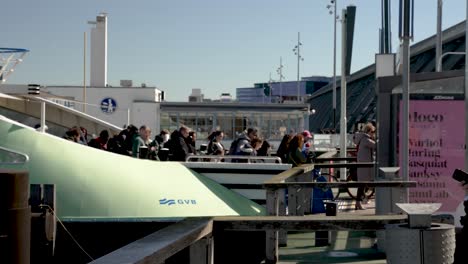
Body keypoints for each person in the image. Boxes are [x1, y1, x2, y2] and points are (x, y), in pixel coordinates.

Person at [354, 123, 376, 210]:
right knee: (363, 185)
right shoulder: (366, 140)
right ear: (369, 131)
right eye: (373, 131)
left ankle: (362, 200)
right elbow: (376, 146)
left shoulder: (362, 138)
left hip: (364, 166)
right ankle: (359, 202)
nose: (374, 133)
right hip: (365, 166)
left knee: (363, 184)